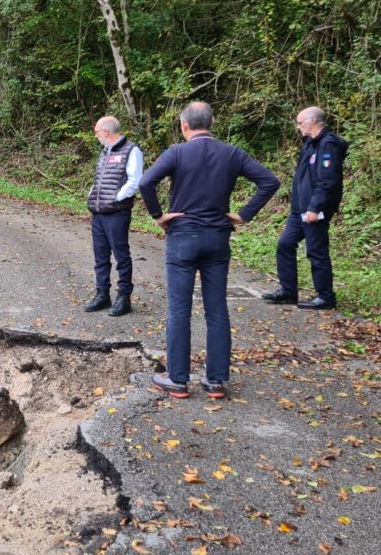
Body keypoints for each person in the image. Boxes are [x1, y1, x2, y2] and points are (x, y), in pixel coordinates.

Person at [139, 102, 279, 399]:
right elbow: (269, 181)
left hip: (183, 237)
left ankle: (177, 379)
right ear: (212, 122)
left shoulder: (176, 152)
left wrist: (158, 215)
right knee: (217, 309)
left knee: (179, 309)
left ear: (183, 125)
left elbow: (146, 182)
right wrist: (243, 214)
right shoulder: (232, 153)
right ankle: (216, 380)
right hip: (217, 238)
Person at [262, 106, 347, 310]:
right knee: (285, 244)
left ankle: (325, 296)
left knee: (316, 251)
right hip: (299, 209)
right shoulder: (310, 144)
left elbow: (327, 181)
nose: (298, 127)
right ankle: (288, 292)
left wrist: (315, 207)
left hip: (314, 210)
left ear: (313, 121)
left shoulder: (328, 145)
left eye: (300, 123)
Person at [83, 116, 143, 317]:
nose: (96, 136)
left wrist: (115, 198)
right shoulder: (104, 152)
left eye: (97, 132)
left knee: (121, 255)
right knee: (100, 255)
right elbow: (99, 179)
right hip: (98, 212)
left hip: (117, 212)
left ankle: (123, 297)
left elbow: (135, 181)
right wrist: (93, 195)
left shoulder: (131, 151)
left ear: (106, 132)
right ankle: (102, 294)